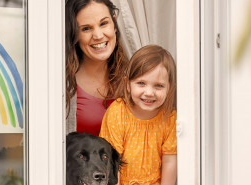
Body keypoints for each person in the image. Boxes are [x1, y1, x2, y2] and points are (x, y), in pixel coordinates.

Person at [99, 45, 177, 185]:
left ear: (169, 88)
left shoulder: (170, 118)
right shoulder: (118, 112)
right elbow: (111, 159)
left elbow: (170, 161)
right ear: (128, 85)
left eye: (158, 86)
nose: (149, 92)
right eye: (141, 83)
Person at [65, 0, 127, 136]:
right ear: (74, 34)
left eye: (103, 23)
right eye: (86, 28)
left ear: (114, 24)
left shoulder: (134, 78)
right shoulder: (64, 87)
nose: (98, 36)